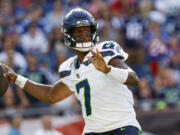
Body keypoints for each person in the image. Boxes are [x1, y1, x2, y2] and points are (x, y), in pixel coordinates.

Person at [2, 8, 141, 135]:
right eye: (79, 31)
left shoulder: (105, 50)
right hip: (93, 131)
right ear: (69, 35)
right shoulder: (69, 67)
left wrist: (107, 69)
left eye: (87, 30)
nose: (85, 35)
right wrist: (17, 79)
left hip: (123, 127)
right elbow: (51, 95)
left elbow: (133, 79)